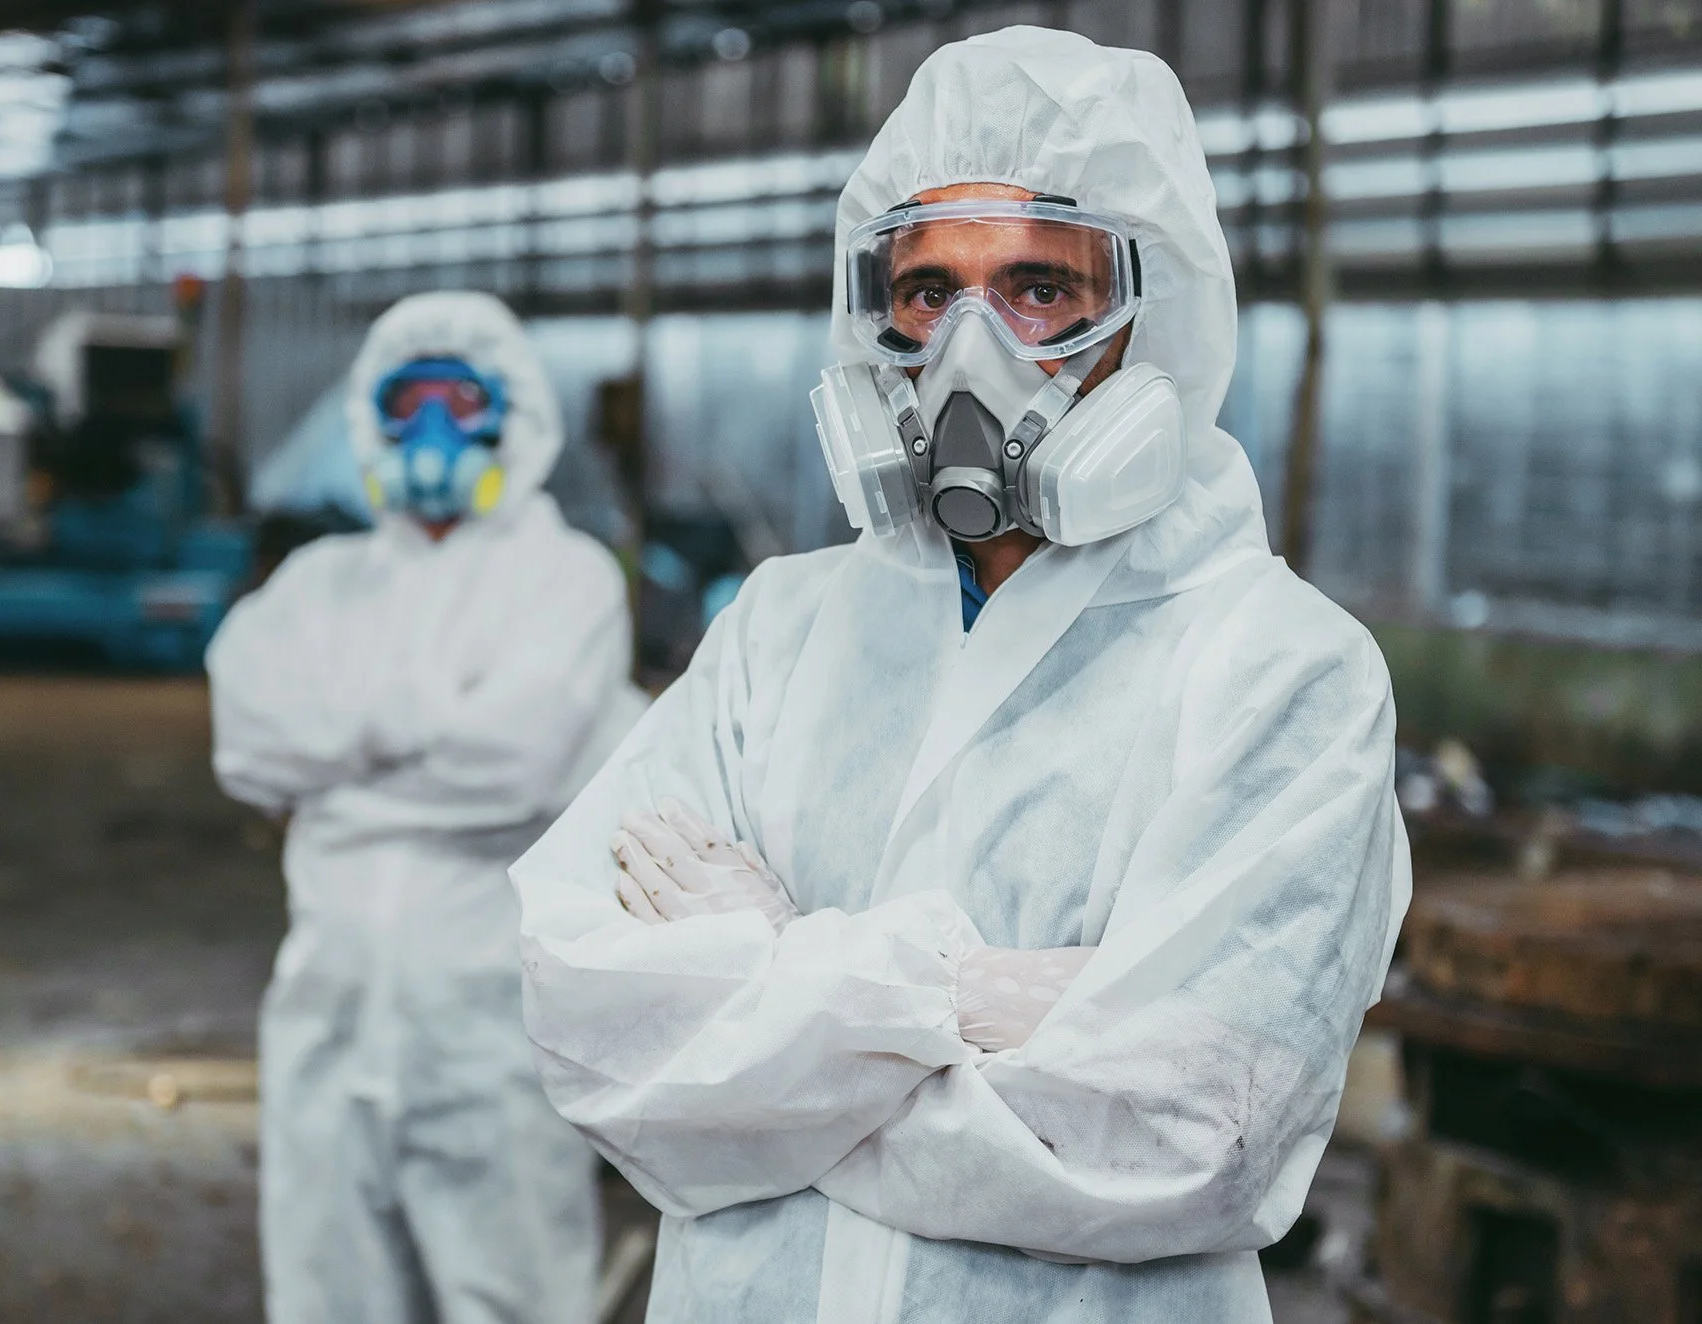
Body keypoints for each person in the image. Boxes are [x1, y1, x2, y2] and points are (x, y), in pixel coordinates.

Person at [510, 26, 1410, 1323]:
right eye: (928, 292)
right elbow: (599, 1031)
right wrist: (965, 996)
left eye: (1043, 289)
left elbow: (1187, 1140)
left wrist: (778, 1017)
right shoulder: (779, 632)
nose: (968, 352)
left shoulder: (1282, 672)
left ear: (1151, 319)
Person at [208, 290, 640, 1324]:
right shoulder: (317, 584)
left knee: (513, 1293)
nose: (436, 427)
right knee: (326, 1290)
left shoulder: (566, 579)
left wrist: (337, 772)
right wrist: (429, 727)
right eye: (410, 400)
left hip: (490, 1032)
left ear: (514, 416)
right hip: (326, 1020)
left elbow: (515, 767)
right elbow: (246, 744)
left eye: (463, 397)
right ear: (371, 417)